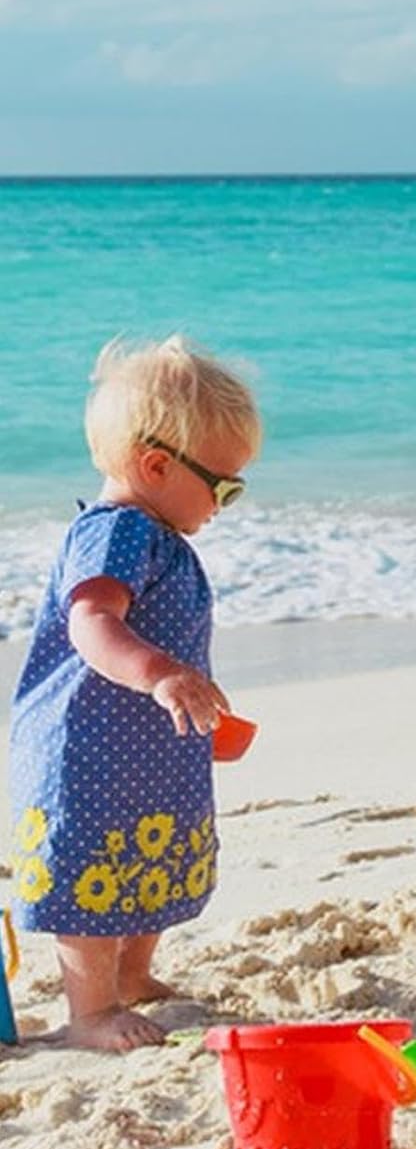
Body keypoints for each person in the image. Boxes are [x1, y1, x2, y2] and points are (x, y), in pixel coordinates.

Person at [6, 337, 260, 1050]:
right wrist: (161, 676)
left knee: (154, 857)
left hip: (142, 747)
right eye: (226, 488)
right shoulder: (116, 532)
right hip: (87, 749)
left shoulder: (158, 537)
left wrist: (192, 693)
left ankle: (134, 976)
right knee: (93, 872)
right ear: (156, 466)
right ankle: (90, 1009)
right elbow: (91, 622)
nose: (227, 504)